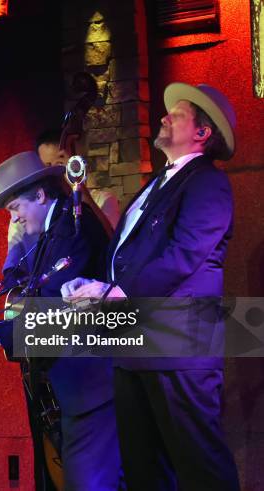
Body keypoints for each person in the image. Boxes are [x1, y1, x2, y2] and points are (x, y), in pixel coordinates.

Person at [61, 82, 240, 490]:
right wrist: (98, 285)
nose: (163, 116)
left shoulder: (207, 183)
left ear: (202, 133)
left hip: (178, 345)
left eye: (175, 114)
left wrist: (116, 292)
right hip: (134, 344)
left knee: (199, 465)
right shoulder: (156, 184)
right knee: (143, 469)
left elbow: (186, 254)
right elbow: (129, 255)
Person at [0, 151, 121, 490]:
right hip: (74, 384)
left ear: (39, 195)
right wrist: (14, 248)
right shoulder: (48, 233)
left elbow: (57, 306)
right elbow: (20, 290)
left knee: (88, 481)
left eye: (15, 209)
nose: (15, 220)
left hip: (93, 381)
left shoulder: (73, 228)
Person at [4, 129, 121, 277]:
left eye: (59, 165)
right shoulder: (24, 213)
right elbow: (13, 265)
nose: (54, 173)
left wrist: (76, 183)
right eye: (47, 166)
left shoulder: (101, 200)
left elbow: (112, 247)